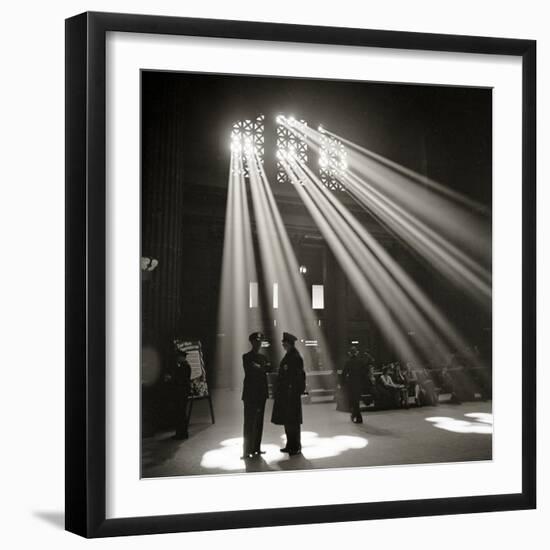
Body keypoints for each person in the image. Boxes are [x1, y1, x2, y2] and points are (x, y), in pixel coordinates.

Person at [271, 332, 306, 456]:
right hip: (286, 394)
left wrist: (295, 390)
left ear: (289, 343)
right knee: (288, 421)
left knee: (293, 422)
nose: (282, 345)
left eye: (284, 343)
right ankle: (290, 445)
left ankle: (296, 446)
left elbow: (299, 376)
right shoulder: (290, 355)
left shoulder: (295, 357)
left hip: (291, 395)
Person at [241, 331, 271, 459]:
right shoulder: (246, 357)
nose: (258, 344)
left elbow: (268, 369)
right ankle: (247, 450)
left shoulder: (263, 358)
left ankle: (256, 448)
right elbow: (254, 371)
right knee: (249, 422)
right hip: (250, 394)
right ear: (252, 342)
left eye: (259, 342)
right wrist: (262, 368)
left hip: (261, 393)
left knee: (259, 422)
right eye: (256, 342)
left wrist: (259, 367)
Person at [170, 348, 191, 440]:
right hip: (182, 392)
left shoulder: (184, 366)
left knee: (181, 413)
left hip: (181, 393)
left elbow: (181, 380)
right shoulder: (184, 366)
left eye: (178, 357)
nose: (177, 359)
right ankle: (181, 432)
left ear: (182, 357)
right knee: (181, 413)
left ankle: (182, 433)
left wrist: (171, 378)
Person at [342, 346, 366, 423]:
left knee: (353, 401)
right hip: (359, 384)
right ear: (356, 353)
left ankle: (356, 416)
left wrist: (343, 383)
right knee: (356, 401)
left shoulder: (348, 362)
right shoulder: (361, 361)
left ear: (350, 354)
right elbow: (364, 373)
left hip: (351, 384)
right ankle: (356, 416)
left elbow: (344, 374)